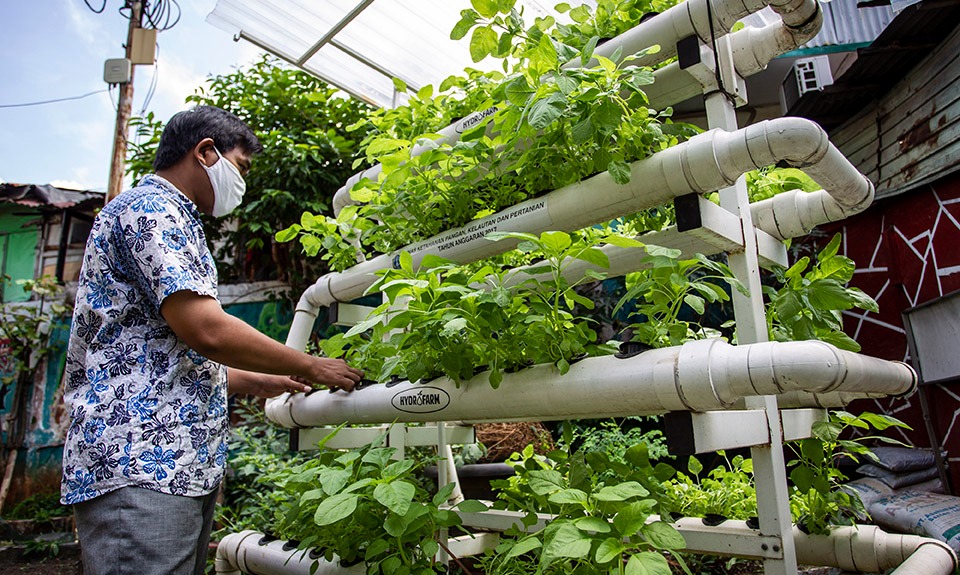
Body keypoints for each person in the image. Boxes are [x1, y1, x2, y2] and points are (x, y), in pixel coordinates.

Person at [60, 105, 363, 574]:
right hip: (141, 460)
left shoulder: (172, 218)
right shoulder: (151, 210)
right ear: (205, 152)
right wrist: (309, 365)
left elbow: (165, 356)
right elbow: (206, 330)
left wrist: (262, 380)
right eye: (240, 166)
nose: (241, 182)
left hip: (171, 464)